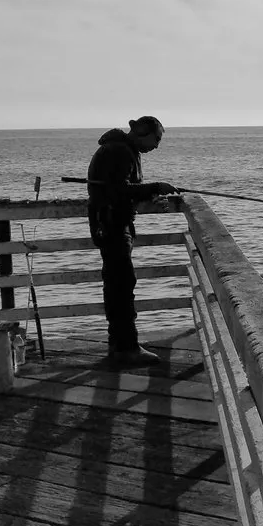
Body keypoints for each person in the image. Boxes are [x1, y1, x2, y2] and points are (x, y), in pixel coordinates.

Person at [87, 115, 179, 366]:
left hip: (111, 223)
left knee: (118, 284)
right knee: (122, 286)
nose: (157, 145)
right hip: (112, 225)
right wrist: (155, 186)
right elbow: (118, 190)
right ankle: (126, 348)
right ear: (142, 132)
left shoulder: (120, 149)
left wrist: (147, 198)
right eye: (156, 139)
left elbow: (121, 189)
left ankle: (120, 344)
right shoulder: (119, 151)